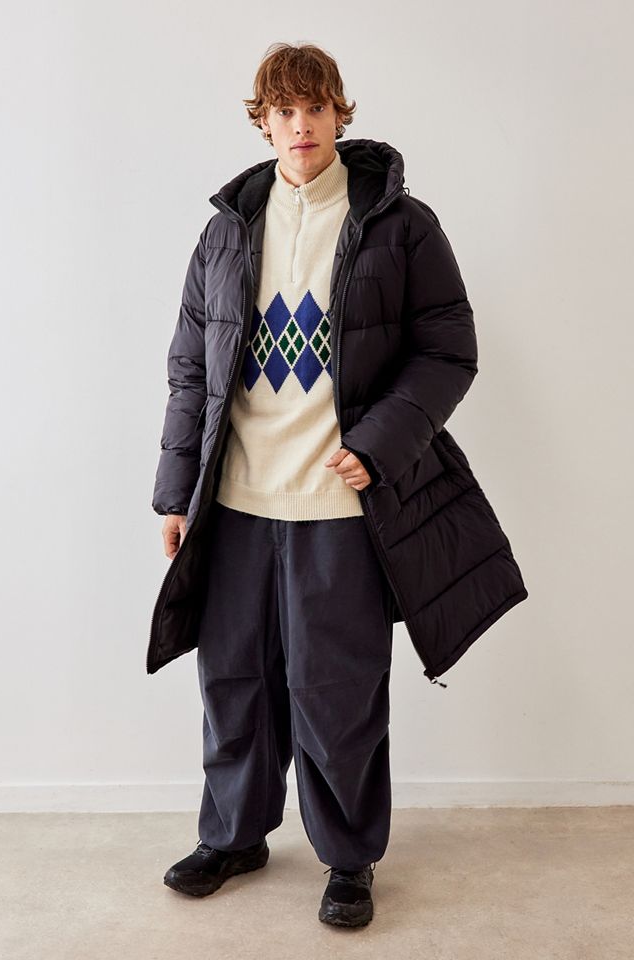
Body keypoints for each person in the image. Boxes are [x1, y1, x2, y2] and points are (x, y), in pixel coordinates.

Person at [151, 41, 528, 928]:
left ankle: (350, 858)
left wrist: (378, 445)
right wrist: (174, 493)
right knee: (233, 683)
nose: (301, 125)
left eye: (315, 107)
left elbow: (448, 349)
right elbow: (189, 369)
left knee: (338, 689)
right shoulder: (227, 230)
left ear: (338, 113)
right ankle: (234, 835)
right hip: (235, 503)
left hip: (340, 506)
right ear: (263, 122)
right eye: (283, 111)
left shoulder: (400, 225)